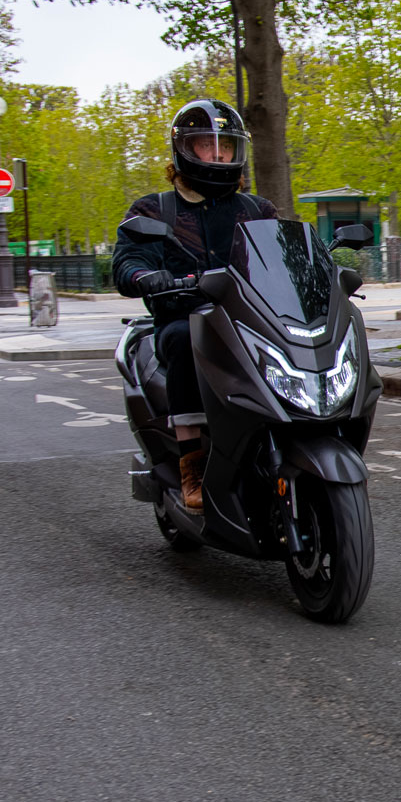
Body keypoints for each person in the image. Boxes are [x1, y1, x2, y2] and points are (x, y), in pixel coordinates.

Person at [112, 99, 277, 512]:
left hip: (249, 318)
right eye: (207, 144)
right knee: (187, 338)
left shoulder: (257, 210)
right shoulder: (155, 209)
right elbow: (128, 261)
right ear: (184, 149)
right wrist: (144, 275)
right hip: (185, 315)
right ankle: (192, 462)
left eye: (226, 146)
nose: (218, 154)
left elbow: (281, 256)